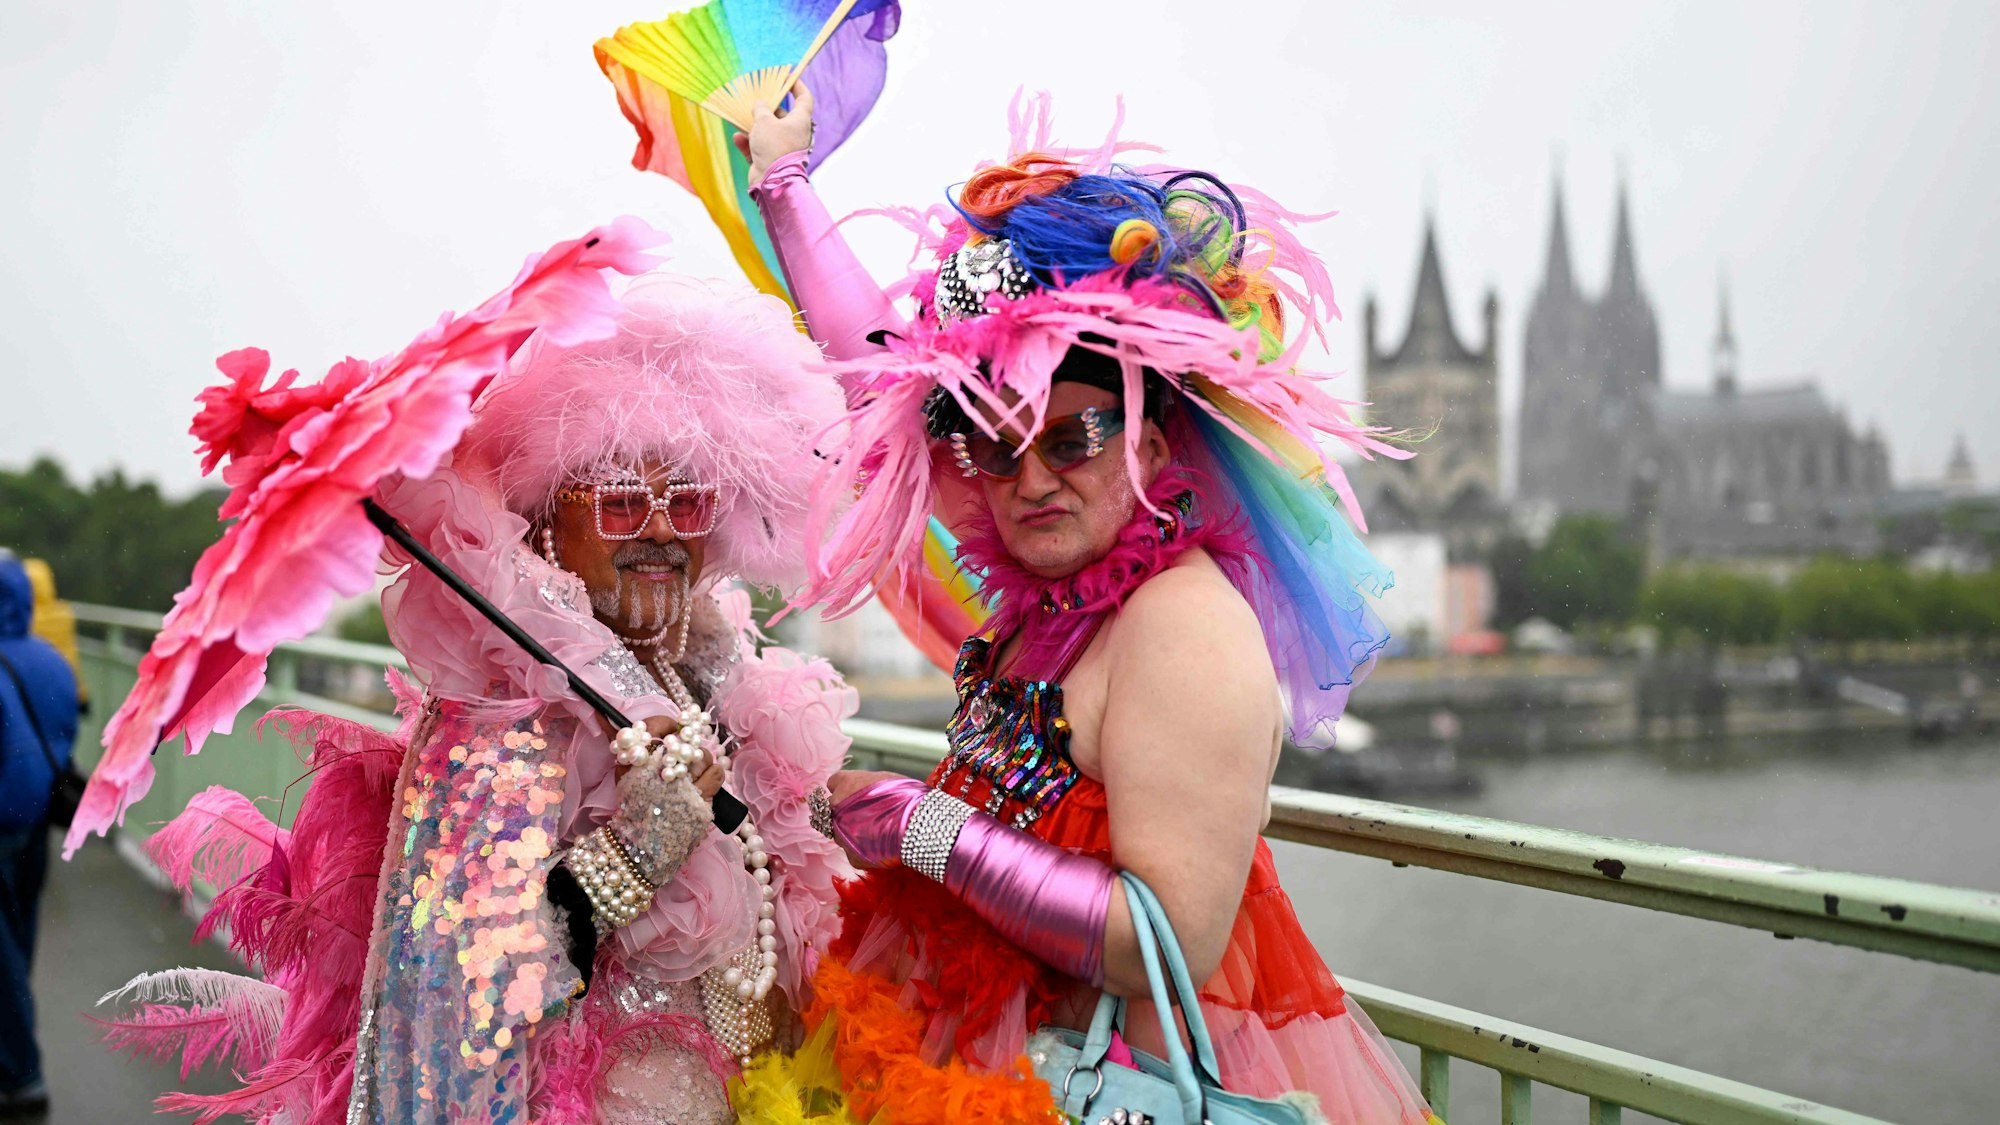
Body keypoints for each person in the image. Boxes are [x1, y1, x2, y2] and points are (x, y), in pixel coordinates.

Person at [727, 92, 1441, 1123]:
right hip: (968, 1060)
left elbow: (1168, 941)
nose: (1030, 482)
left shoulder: (1179, 625)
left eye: (1072, 440)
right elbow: (880, 370)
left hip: (1090, 1090)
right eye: (998, 448)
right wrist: (782, 188)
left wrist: (922, 830)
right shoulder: (1046, 597)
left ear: (1149, 444)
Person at [98, 275, 854, 1125]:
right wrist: (636, 849)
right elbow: (458, 995)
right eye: (616, 503)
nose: (659, 530)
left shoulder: (727, 687)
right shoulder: (496, 719)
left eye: (684, 500)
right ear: (543, 523)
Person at [0, 551, 80, 1119]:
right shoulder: (50, 659)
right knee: (18, 936)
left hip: (0, 819)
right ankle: (12, 1042)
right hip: (35, 820)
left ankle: (22, 1073)